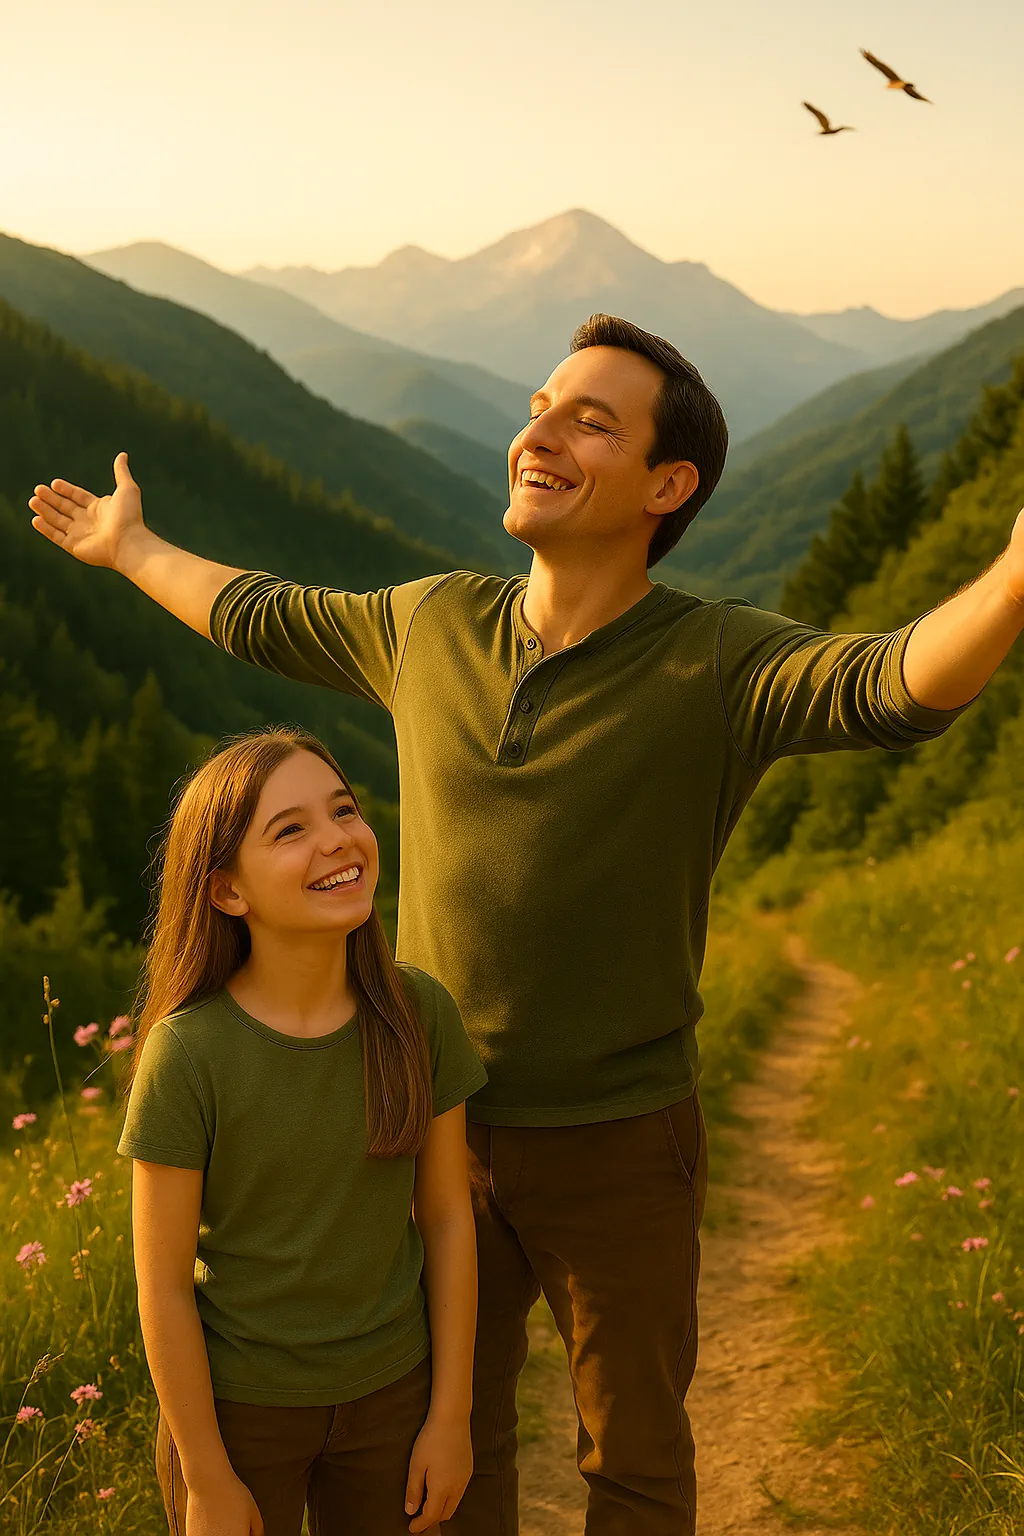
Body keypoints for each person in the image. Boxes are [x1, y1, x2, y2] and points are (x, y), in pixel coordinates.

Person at [31, 312, 1023, 1535]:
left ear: (668, 486)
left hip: (622, 1136)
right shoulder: (431, 621)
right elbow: (260, 609)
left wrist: (1016, 571)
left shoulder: (714, 662)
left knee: (636, 1455)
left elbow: (893, 681)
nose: (538, 432)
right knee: (446, 1455)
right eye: (541, 404)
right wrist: (133, 552)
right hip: (421, 1121)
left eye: (589, 420)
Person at [114, 726, 487, 1536]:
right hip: (239, 1419)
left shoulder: (418, 1013)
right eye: (291, 830)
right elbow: (165, 1286)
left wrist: (451, 1416)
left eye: (343, 810)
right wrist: (207, 1478)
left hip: (395, 1397)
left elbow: (450, 1219)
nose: (338, 841)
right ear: (226, 892)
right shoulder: (188, 1053)